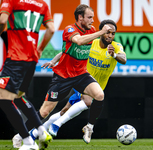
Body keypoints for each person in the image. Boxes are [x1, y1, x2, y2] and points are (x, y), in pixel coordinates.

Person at [12, 3, 111, 147]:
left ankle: (89, 127)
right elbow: (78, 41)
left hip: (81, 74)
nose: (92, 20)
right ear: (80, 17)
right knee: (44, 112)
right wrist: (102, 32)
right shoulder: (70, 29)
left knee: (99, 95)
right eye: (89, 17)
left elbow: (67, 49)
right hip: (63, 77)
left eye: (93, 18)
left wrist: (54, 59)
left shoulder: (92, 30)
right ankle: (21, 135)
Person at [24, 19, 127, 144]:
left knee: (65, 111)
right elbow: (66, 51)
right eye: (107, 32)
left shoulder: (116, 47)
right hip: (83, 81)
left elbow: (124, 58)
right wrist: (53, 61)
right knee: (87, 102)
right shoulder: (91, 42)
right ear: (101, 32)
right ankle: (57, 125)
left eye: (113, 33)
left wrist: (114, 55)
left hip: (96, 87)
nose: (110, 36)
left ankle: (34, 133)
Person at [0, 0, 55, 149]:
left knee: (3, 99)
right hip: (31, 60)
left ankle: (28, 141)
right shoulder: (41, 4)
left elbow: (2, 20)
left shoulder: (11, 0)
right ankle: (41, 131)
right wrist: (41, 49)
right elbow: (51, 29)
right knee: (17, 97)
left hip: (16, 58)